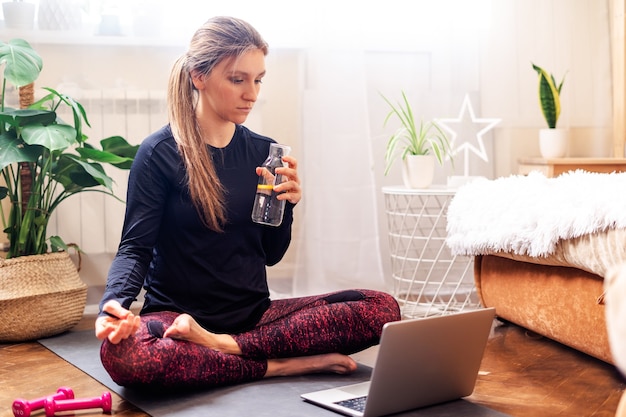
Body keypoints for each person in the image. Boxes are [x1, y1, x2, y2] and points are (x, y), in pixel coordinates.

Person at [95, 15, 401, 388]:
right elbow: (134, 249)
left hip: (254, 317)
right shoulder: (159, 152)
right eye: (238, 80)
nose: (252, 94)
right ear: (199, 77)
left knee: (382, 309)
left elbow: (271, 255)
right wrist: (113, 309)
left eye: (258, 80)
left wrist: (287, 207)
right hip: (175, 319)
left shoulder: (263, 152)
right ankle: (277, 365)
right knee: (125, 355)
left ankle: (220, 347)